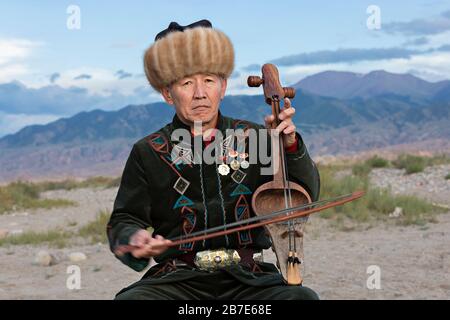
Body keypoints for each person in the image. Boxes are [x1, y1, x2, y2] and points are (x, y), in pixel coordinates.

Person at [107, 19, 321, 300]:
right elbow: (124, 219)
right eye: (186, 83)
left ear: (223, 86)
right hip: (178, 280)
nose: (200, 93)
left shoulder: (255, 137)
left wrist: (289, 147)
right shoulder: (148, 151)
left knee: (301, 299)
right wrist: (134, 238)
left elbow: (303, 196)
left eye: (208, 80)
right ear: (167, 93)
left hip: (248, 279)